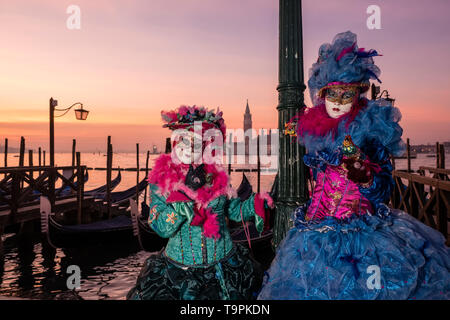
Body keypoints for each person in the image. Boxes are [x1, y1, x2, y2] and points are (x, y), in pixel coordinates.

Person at [258, 31, 450, 300]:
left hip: (362, 238)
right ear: (322, 95)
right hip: (313, 236)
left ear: (357, 94)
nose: (337, 102)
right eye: (331, 93)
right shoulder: (316, 134)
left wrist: (366, 177)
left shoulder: (370, 134)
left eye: (345, 94)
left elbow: (384, 189)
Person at [127, 105, 273, 300]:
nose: (189, 146)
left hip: (224, 263)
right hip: (179, 272)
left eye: (196, 141)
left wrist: (254, 203)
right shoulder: (163, 181)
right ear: (175, 142)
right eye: (184, 140)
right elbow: (160, 227)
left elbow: (231, 210)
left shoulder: (217, 177)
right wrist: (180, 207)